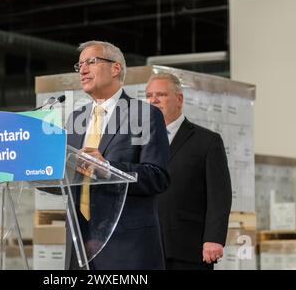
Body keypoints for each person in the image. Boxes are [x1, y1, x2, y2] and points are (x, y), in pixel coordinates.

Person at [65, 40, 170, 269]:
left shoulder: (144, 114)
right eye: (80, 64)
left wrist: (109, 168)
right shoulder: (75, 119)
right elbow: (65, 177)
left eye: (91, 62)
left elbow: (158, 176)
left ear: (115, 68)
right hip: (79, 246)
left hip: (125, 248)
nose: (82, 70)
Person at [145, 72, 232, 270]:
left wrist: (214, 238)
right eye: (149, 95)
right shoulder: (139, 142)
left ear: (180, 99)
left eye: (161, 95)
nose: (154, 100)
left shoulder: (207, 141)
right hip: (146, 247)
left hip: (188, 248)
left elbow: (220, 195)